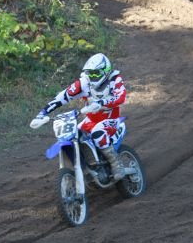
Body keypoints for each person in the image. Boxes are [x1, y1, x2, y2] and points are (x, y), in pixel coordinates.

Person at [29, 53, 127, 181]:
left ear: (106, 71)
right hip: (91, 120)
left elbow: (121, 97)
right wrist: (42, 113)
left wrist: (101, 103)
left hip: (110, 119)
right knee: (75, 134)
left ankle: (116, 163)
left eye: (96, 74)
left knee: (98, 133)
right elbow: (63, 96)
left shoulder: (114, 80)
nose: (92, 77)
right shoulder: (84, 83)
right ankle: (87, 165)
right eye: (90, 74)